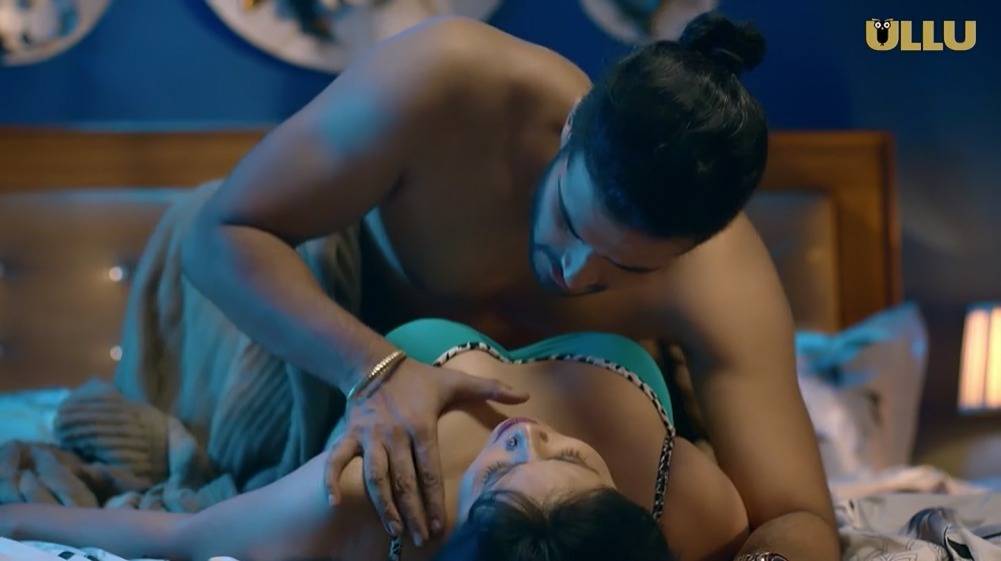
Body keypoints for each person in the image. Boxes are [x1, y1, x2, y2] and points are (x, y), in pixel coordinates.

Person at [0, 10, 839, 561]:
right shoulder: (450, 81)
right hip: (312, 337)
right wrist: (370, 369)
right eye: (570, 221)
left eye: (630, 268)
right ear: (569, 132)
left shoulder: (721, 280)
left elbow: (795, 513)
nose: (577, 273)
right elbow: (221, 237)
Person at [0, 318, 748, 561]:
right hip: (379, 286)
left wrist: (11, 521)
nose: (529, 435)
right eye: (571, 456)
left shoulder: (369, 505)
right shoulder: (694, 505)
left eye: (501, 472)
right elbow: (185, 531)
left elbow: (182, 539)